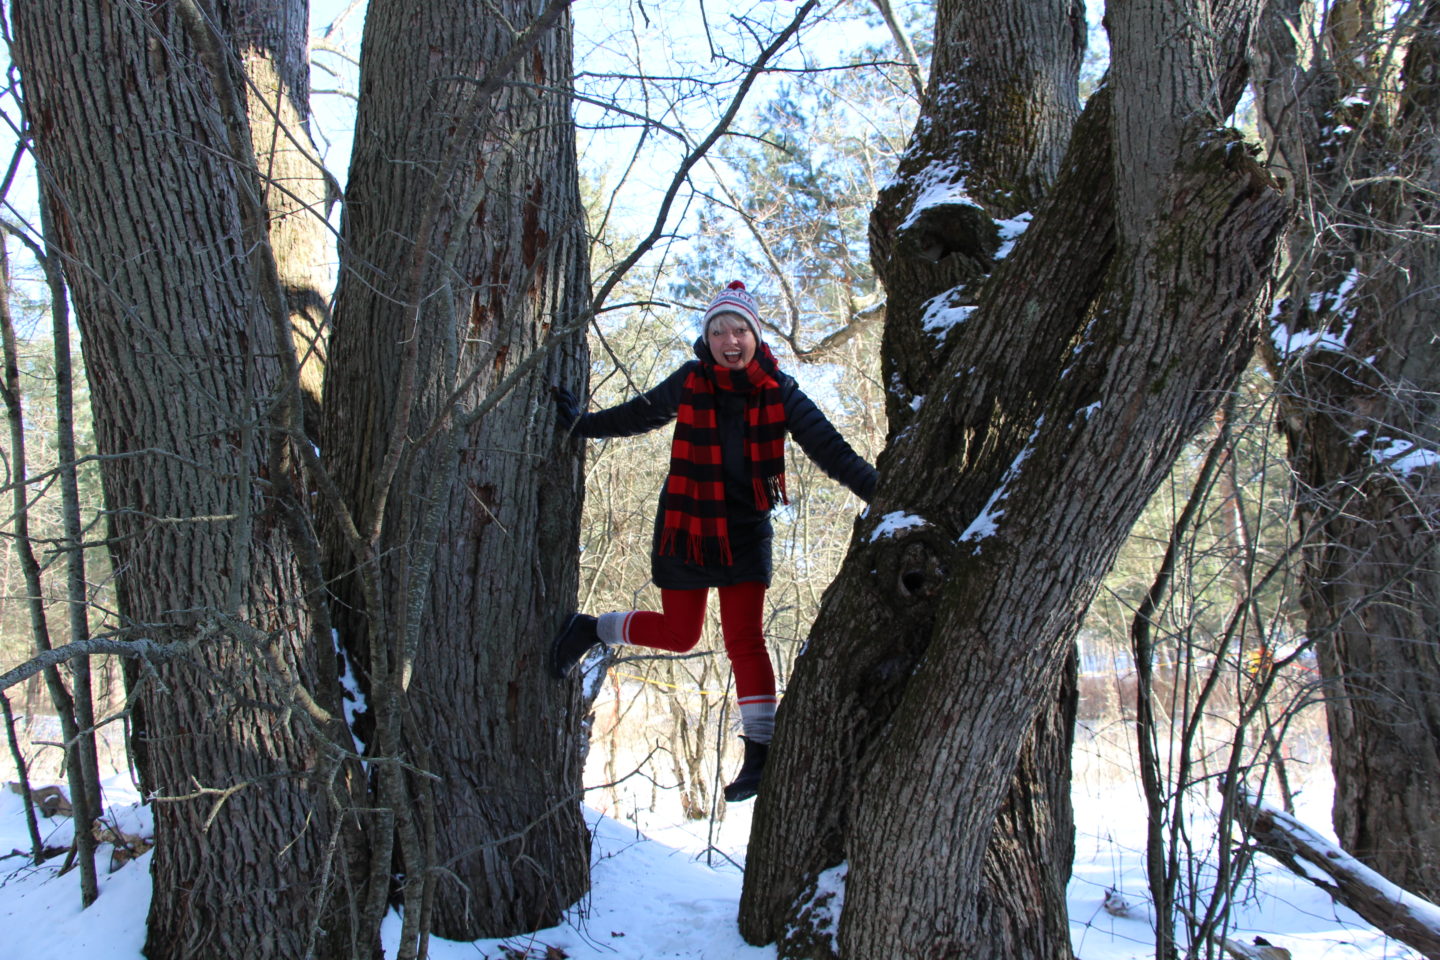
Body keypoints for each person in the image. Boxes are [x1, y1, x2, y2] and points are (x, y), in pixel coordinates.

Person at [549, 280, 877, 802]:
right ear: (708, 338)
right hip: (688, 525)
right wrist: (582, 426)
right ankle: (591, 629)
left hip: (746, 534)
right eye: (719, 329)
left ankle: (759, 752)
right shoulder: (691, 381)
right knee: (681, 634)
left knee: (744, 641)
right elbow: (640, 414)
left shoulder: (780, 390)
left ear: (754, 334)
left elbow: (829, 449)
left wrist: (880, 492)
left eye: (739, 329)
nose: (730, 338)